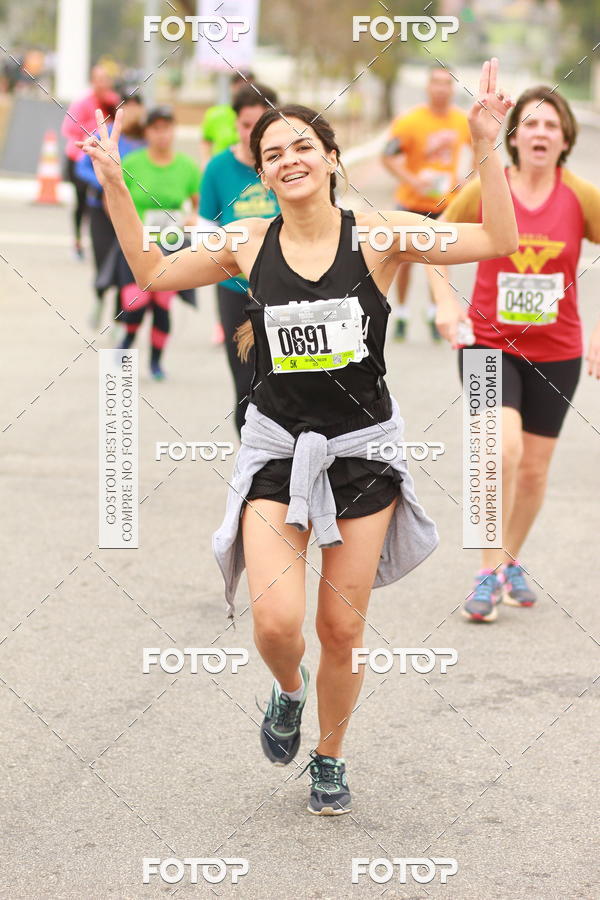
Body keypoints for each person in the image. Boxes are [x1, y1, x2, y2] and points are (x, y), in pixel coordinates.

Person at [79, 60, 517, 815]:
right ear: (264, 171)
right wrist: (116, 183)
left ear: (332, 158)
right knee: (279, 625)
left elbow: (498, 237)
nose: (289, 158)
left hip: (362, 452)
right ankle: (288, 691)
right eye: (273, 152)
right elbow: (149, 268)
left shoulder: (379, 235)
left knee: (340, 628)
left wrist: (487, 144)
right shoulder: (248, 242)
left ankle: (329, 756)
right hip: (279, 447)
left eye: (303, 147)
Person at [428, 85, 600, 623]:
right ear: (514, 135)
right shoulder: (488, 186)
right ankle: (486, 570)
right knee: (499, 452)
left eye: (552, 125)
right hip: (486, 344)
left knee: (532, 471)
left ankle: (508, 559)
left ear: (566, 138)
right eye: (530, 124)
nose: (541, 133)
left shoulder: (582, 196)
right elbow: (434, 240)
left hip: (558, 351)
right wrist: (445, 305)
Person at [200, 83, 280, 436]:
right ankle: (255, 474)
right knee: (246, 387)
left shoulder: (285, 165)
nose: (252, 133)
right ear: (236, 125)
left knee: (283, 383)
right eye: (246, 125)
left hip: (284, 289)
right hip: (235, 290)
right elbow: (205, 230)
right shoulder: (218, 169)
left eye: (261, 123)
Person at [381, 65, 472, 341]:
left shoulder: (462, 121)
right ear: (428, 87)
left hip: (446, 205)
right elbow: (387, 156)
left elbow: (480, 153)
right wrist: (412, 179)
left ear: (453, 88)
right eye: (436, 82)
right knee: (404, 262)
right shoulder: (410, 121)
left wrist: (468, 181)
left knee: (441, 261)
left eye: (447, 83)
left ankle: (436, 312)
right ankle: (403, 313)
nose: (441, 88)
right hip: (412, 203)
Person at [112, 106, 200, 379]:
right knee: (136, 303)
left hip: (171, 248)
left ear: (173, 130)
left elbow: (199, 208)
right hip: (136, 245)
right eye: (155, 128)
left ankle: (156, 362)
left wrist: (191, 220)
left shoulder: (187, 166)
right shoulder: (133, 163)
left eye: (167, 128)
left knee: (162, 305)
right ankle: (126, 342)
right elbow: (114, 197)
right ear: (146, 131)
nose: (161, 135)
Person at [75, 94, 146, 329]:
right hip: (100, 211)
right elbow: (81, 167)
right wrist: (106, 182)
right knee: (103, 260)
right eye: (128, 107)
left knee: (125, 267)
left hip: (130, 212)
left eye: (137, 107)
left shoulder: (145, 140)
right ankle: (98, 297)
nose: (133, 112)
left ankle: (119, 320)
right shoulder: (105, 135)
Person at [61, 65, 119, 259]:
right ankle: (78, 242)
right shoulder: (82, 103)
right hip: (80, 159)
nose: (103, 83)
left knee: (106, 201)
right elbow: (68, 129)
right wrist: (94, 132)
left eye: (106, 79)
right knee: (82, 202)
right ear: (92, 81)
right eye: (99, 79)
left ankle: (110, 244)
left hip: (105, 160)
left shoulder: (113, 102)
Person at [199, 70, 255, 170]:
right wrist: (205, 161)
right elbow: (206, 140)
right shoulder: (215, 114)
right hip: (221, 169)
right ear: (232, 87)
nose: (244, 88)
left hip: (251, 170)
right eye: (240, 84)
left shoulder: (261, 115)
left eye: (249, 84)